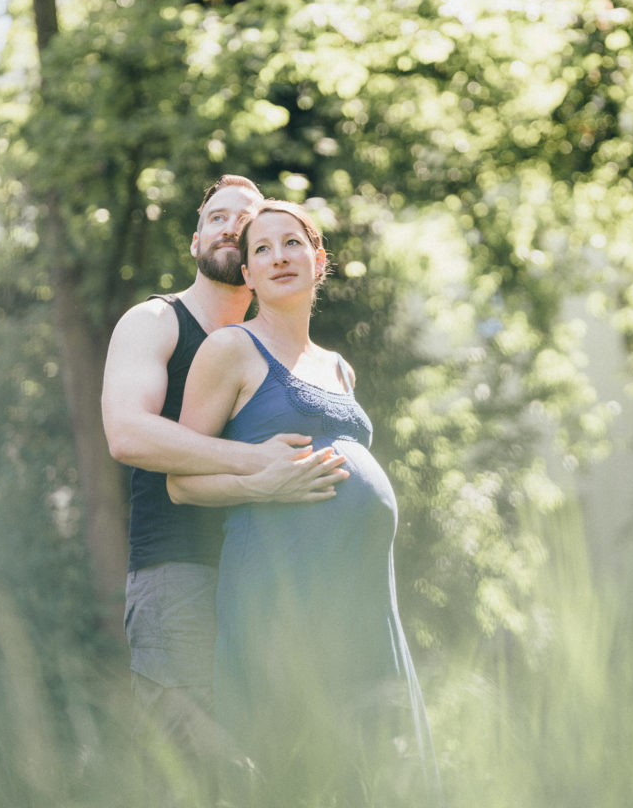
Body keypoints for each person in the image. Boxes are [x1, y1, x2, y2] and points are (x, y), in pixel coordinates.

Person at [168, 200, 441, 808]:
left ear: (319, 261)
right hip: (279, 591)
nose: (278, 257)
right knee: (294, 761)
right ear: (248, 274)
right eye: (260, 249)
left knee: (373, 762)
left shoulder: (339, 368)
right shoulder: (231, 349)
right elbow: (180, 481)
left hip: (364, 599)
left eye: (291, 243)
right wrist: (256, 486)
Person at [101, 177, 347, 805]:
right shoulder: (157, 320)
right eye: (217, 218)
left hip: (262, 579)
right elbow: (128, 434)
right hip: (179, 573)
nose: (230, 230)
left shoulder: (273, 347)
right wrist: (253, 465)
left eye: (245, 223)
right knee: (196, 768)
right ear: (196, 239)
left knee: (267, 767)